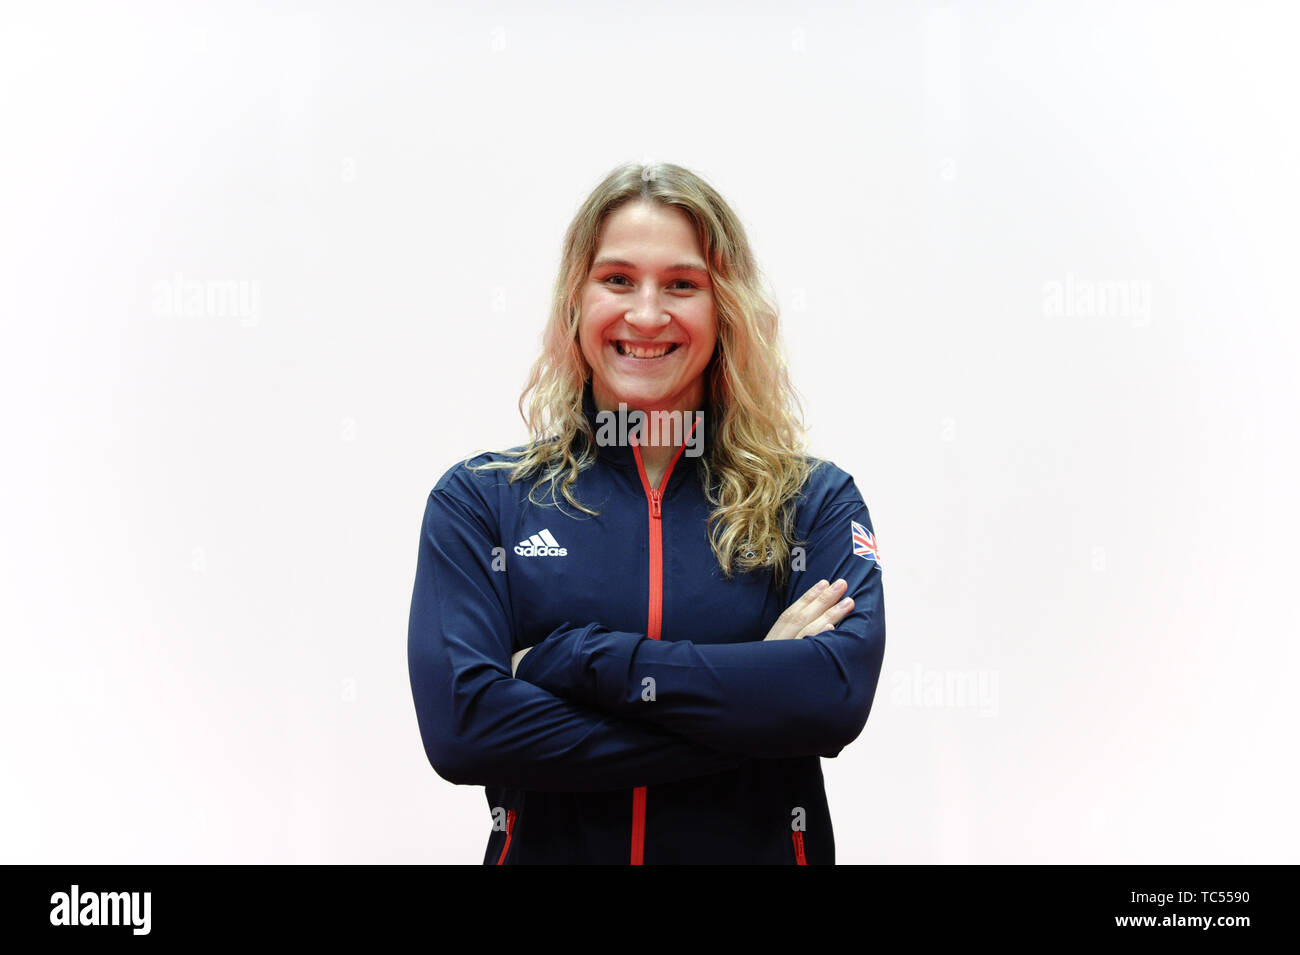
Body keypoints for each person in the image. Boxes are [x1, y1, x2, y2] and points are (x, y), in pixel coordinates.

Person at [407, 161, 886, 864]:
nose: (648, 314)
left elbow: (833, 700)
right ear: (577, 299)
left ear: (725, 307)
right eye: (619, 279)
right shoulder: (484, 501)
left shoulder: (811, 502)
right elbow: (464, 728)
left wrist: (573, 658)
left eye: (683, 284)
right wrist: (755, 696)